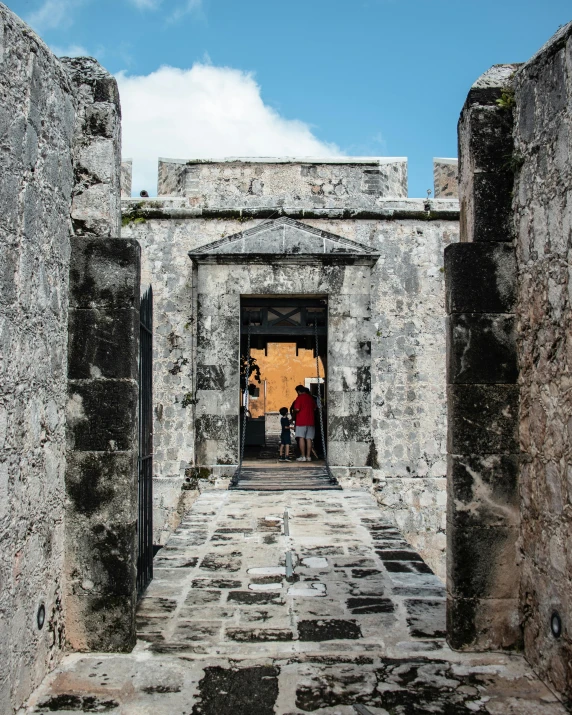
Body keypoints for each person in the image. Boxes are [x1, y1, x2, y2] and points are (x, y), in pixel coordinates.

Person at [292, 385, 316, 461]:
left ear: (299, 391)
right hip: (311, 421)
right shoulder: (310, 398)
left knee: (301, 438)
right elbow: (315, 408)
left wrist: (294, 412)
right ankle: (308, 456)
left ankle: (303, 456)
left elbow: (297, 408)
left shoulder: (299, 398)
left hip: (301, 421)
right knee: (309, 439)